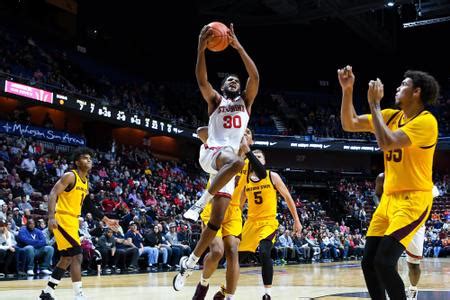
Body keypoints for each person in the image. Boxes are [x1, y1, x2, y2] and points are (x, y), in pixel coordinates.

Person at [174, 22, 260, 297]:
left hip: (223, 172)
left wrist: (238, 46)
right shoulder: (215, 102)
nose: (234, 82)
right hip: (213, 154)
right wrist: (201, 46)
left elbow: (255, 77)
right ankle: (199, 202)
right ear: (223, 88)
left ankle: (189, 263)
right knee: (237, 161)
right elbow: (201, 79)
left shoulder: (246, 103)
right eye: (229, 81)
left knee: (215, 224)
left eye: (236, 80)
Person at [338, 65, 439, 299]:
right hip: (389, 200)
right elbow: (349, 123)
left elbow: (387, 142)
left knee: (384, 262)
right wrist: (348, 90)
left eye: (404, 84)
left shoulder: (427, 122)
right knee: (368, 262)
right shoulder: (391, 116)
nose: (398, 87)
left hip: (413, 199)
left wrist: (374, 104)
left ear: (417, 92)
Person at [187, 127, 265, 300]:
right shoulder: (223, 151)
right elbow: (201, 132)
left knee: (232, 251)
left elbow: (262, 174)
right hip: (214, 206)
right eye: (241, 131)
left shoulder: (252, 163)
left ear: (251, 140)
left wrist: (247, 150)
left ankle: (229, 297)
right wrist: (224, 128)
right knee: (216, 252)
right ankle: (203, 284)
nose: (244, 133)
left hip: (234, 211)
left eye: (248, 132)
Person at [39, 147, 119, 300]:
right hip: (61, 218)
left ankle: (47, 292)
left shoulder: (85, 182)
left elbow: (89, 206)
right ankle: (78, 294)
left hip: (72, 221)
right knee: (77, 255)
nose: (88, 160)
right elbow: (53, 193)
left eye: (90, 158)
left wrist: (106, 219)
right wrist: (50, 217)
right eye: (84, 158)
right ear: (77, 162)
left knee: (67, 258)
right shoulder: (70, 176)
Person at [238, 149, 302, 300]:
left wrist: (297, 220)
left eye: (259, 156)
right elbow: (239, 206)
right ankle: (226, 290)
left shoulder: (272, 176)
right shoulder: (245, 181)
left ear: (264, 161)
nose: (256, 158)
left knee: (265, 252)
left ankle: (268, 293)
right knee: (235, 258)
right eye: (254, 156)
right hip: (250, 224)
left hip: (268, 222)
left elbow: (287, 197)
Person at [375, 173, 440, 300]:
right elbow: (377, 194)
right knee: (389, 260)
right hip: (394, 221)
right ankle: (391, 289)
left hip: (415, 224)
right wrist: (382, 207)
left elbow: (433, 195)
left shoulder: (421, 177)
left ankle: (413, 290)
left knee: (414, 264)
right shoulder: (384, 176)